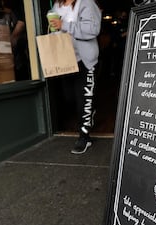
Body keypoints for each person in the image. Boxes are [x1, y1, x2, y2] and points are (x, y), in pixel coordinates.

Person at [49, 0, 101, 154]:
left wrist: (63, 25)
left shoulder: (86, 3)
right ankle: (90, 110)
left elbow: (93, 29)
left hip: (85, 60)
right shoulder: (57, 6)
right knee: (69, 97)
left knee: (83, 99)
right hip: (66, 59)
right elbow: (54, 29)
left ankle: (84, 137)